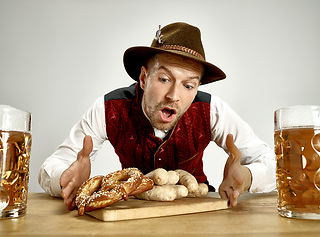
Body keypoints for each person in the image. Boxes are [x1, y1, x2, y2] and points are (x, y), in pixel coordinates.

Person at [39, 22, 276, 210]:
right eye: (164, 79)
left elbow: (272, 162)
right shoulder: (108, 109)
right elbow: (52, 166)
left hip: (198, 213)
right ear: (143, 78)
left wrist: (248, 175)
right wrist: (67, 178)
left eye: (188, 86)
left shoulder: (213, 111)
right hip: (130, 212)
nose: (174, 96)